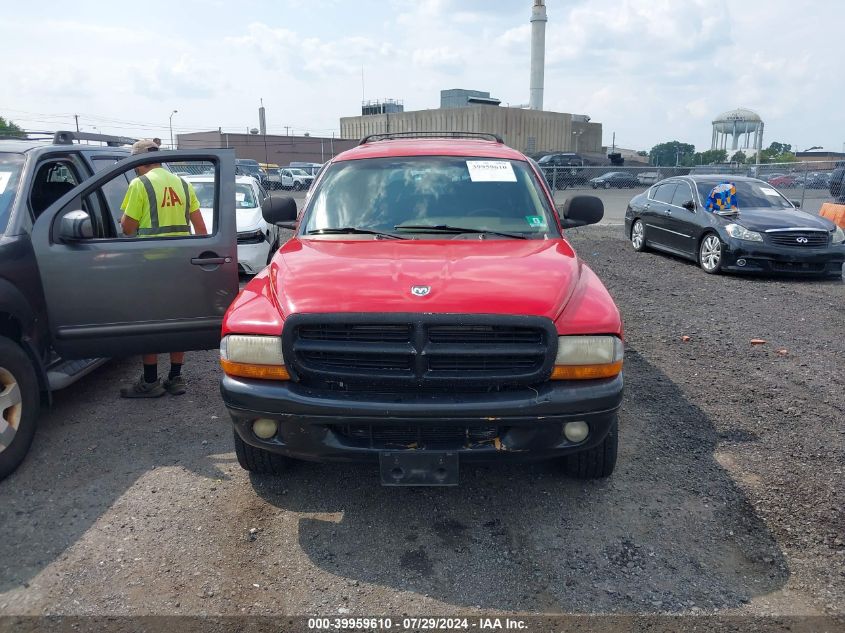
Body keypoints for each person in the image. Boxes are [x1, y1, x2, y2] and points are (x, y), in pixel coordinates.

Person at [118, 139, 208, 398]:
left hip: (150, 266)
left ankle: (150, 382)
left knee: (151, 323)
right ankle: (176, 378)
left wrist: (123, 219)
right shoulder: (182, 183)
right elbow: (201, 230)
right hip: (179, 265)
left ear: (140, 161)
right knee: (177, 321)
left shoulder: (139, 184)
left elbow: (128, 228)